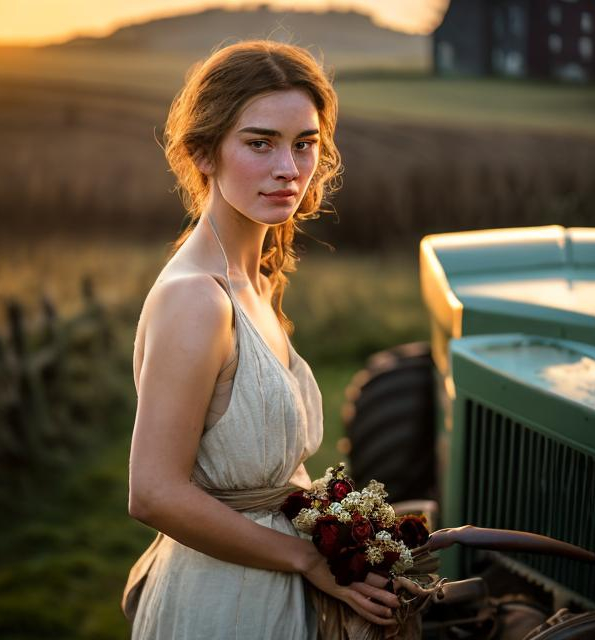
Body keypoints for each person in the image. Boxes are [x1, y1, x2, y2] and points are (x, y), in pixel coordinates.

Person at [121, 40, 400, 639]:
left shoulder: (258, 278)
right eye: (259, 142)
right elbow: (153, 493)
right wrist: (307, 558)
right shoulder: (195, 298)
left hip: (273, 588)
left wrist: (347, 534)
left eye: (305, 144)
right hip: (224, 604)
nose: (288, 169)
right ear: (202, 153)